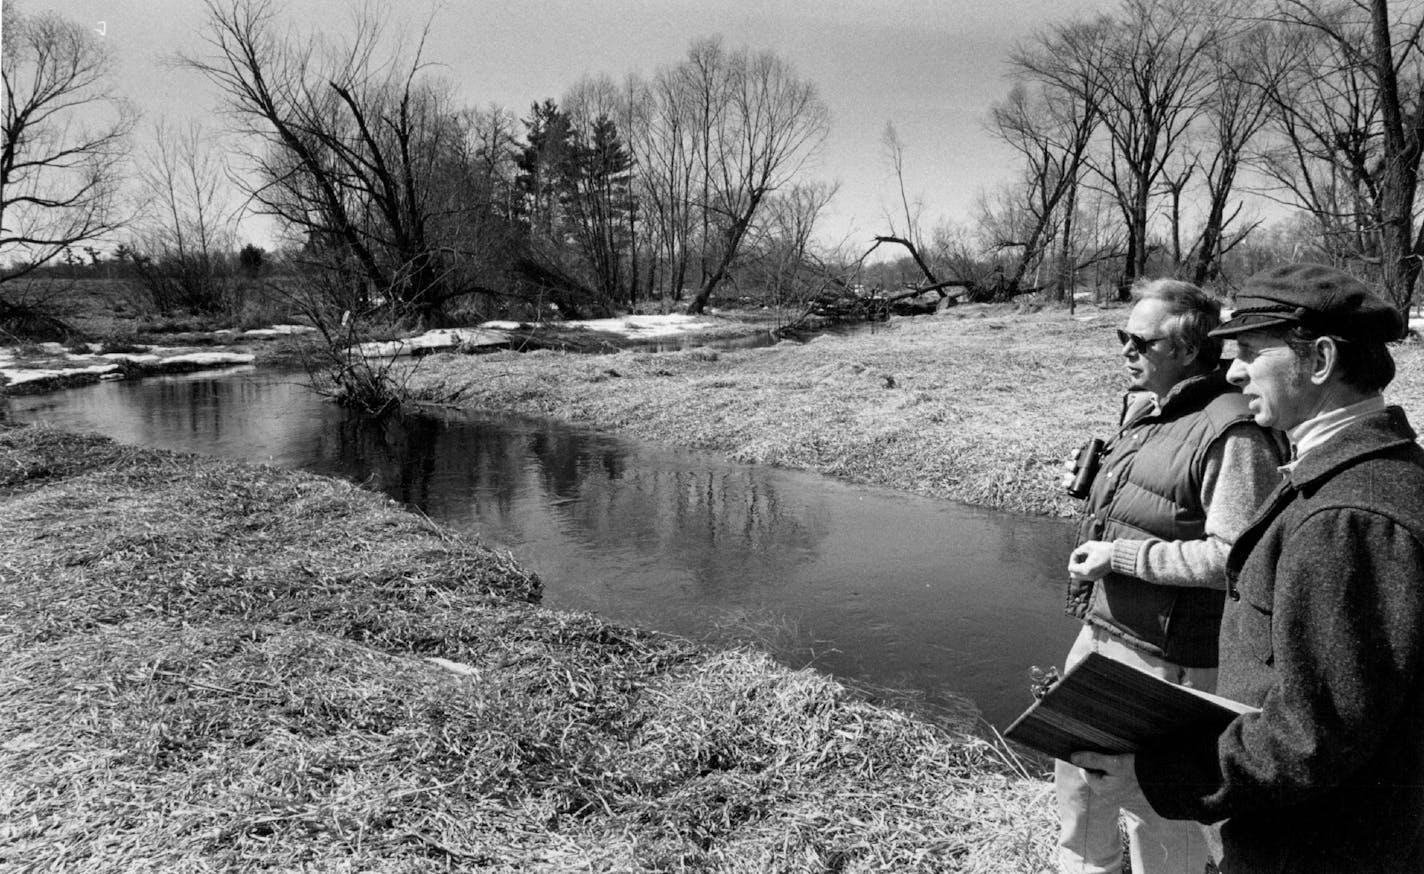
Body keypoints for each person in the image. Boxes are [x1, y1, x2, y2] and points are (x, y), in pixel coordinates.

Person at [1073, 263, 1424, 872]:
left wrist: (1164, 778)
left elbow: (1313, 734)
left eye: (1250, 353)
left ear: (1318, 361)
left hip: (1313, 848)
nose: (1232, 371)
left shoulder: (1349, 515)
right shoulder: (1356, 478)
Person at [1056, 279, 1286, 874]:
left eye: (1139, 340)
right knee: (1081, 779)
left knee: (1159, 813)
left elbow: (1237, 557)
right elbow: (1157, 500)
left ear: (1187, 351)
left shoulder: (1233, 432)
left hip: (1170, 658)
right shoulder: (1147, 407)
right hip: (1106, 629)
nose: (1124, 349)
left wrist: (1122, 558)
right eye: (1120, 335)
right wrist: (1095, 486)